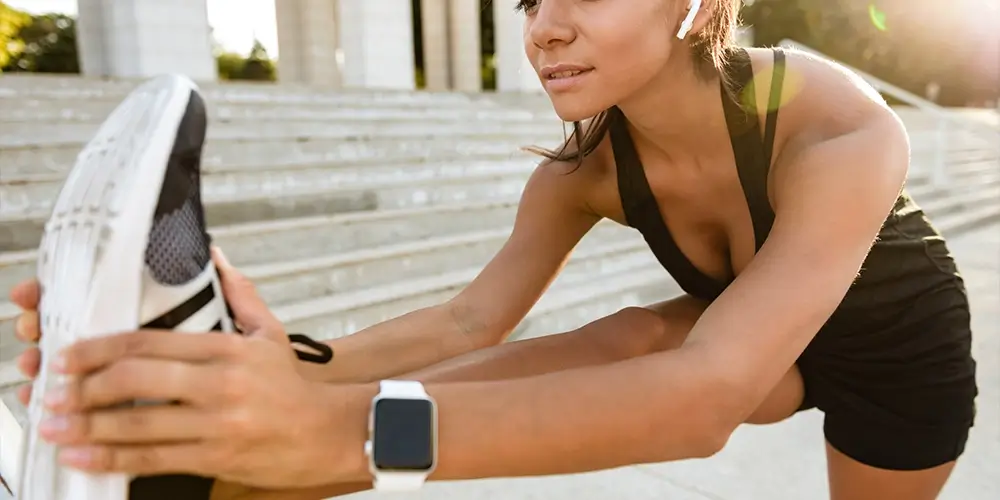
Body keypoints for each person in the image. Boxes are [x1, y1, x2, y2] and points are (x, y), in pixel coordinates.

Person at [9, 1, 978, 499]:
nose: (543, 28)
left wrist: (334, 427)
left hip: (901, 356)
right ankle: (206, 469)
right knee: (634, 334)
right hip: (748, 327)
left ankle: (291, 447)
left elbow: (703, 403)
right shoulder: (585, 171)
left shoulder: (828, 119)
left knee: (675, 365)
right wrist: (294, 363)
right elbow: (468, 319)